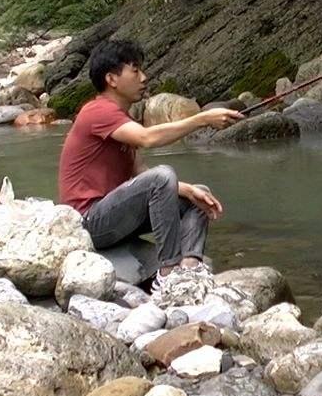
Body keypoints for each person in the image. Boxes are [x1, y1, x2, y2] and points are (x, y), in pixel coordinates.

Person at [57, 40, 242, 286]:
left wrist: (190, 191)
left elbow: (139, 173)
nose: (144, 78)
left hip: (116, 216)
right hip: (90, 222)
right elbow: (147, 139)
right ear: (112, 79)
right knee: (162, 174)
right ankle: (167, 275)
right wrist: (202, 119)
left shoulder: (121, 118)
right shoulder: (97, 112)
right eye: (135, 71)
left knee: (198, 196)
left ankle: (190, 271)